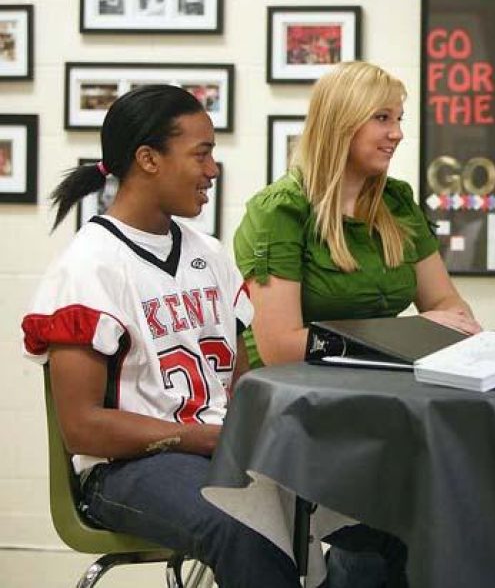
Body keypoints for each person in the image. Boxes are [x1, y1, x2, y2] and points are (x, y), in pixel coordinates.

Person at [20, 85, 300, 588]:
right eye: (202, 153)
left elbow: (241, 381)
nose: (213, 169)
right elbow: (81, 428)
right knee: (242, 525)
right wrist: (207, 438)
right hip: (127, 470)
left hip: (217, 448)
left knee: (363, 507)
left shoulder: (210, 254)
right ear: (148, 159)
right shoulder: (89, 267)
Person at [233, 60, 480, 585]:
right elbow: (279, 347)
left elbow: (453, 313)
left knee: (470, 512)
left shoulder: (396, 203)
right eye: (383, 117)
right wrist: (406, 334)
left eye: (400, 117)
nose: (397, 133)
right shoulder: (282, 211)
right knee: (380, 539)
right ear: (341, 122)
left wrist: (425, 329)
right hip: (308, 413)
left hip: (388, 404)